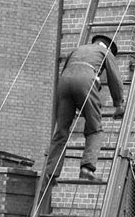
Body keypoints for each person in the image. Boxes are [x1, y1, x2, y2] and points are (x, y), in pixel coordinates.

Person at [45, 34, 125, 184]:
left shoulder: (76, 50)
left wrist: (71, 105)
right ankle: (87, 168)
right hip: (86, 80)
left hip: (64, 83)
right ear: (107, 47)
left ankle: (50, 173)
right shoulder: (105, 52)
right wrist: (118, 104)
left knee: (61, 130)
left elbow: (66, 73)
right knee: (95, 128)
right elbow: (115, 78)